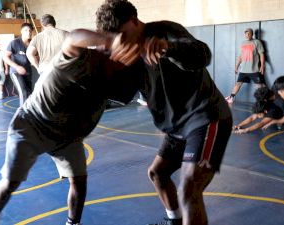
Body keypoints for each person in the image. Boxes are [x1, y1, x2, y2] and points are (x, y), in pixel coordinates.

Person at [0, 28, 141, 225]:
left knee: (79, 181)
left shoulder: (114, 75)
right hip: (32, 124)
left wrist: (141, 61)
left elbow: (126, 94)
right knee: (11, 181)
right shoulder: (79, 57)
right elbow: (74, 37)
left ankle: (73, 223)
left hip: (67, 137)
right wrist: (110, 39)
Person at [96, 1, 232, 225]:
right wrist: (103, 71)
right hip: (176, 128)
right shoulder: (128, 53)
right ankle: (174, 220)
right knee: (157, 174)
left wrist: (169, 48)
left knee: (189, 188)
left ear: (134, 20)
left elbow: (203, 55)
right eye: (114, 38)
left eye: (122, 33)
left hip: (206, 117)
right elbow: (124, 94)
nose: (120, 41)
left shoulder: (166, 31)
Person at [225, 28, 266, 104]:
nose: (247, 35)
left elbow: (261, 54)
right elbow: (241, 56)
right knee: (238, 84)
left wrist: (262, 65)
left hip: (253, 69)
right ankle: (231, 97)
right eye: (246, 34)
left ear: (252, 34)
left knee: (260, 85)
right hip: (243, 69)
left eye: (248, 33)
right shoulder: (243, 43)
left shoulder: (257, 42)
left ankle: (265, 99)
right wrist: (236, 66)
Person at [4, 23, 33, 106]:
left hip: (28, 72)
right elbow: (5, 57)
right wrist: (17, 67)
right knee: (24, 93)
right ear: (21, 32)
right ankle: (23, 115)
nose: (28, 32)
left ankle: (29, 113)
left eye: (30, 31)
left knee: (29, 94)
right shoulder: (14, 43)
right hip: (16, 72)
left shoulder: (32, 44)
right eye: (26, 30)